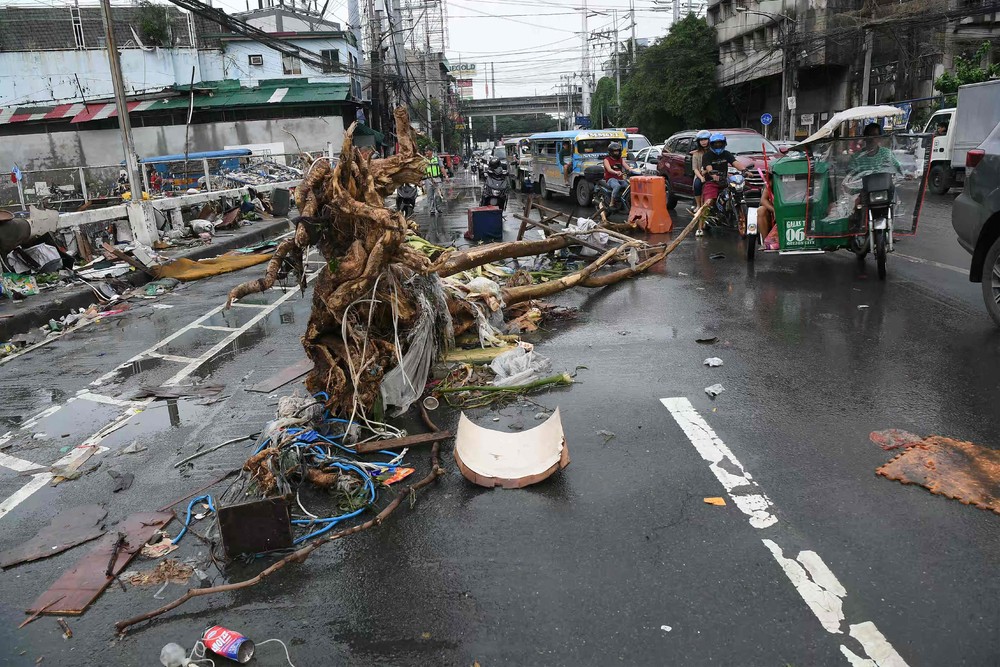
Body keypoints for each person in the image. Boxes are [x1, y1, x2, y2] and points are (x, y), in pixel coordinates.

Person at [698, 132, 752, 236]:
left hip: (725, 181)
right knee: (708, 203)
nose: (718, 145)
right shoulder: (707, 155)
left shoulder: (727, 153)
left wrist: (745, 171)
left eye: (720, 143)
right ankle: (700, 227)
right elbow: (708, 166)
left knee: (737, 191)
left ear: (724, 143)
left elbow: (735, 163)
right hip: (711, 182)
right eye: (715, 143)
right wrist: (712, 173)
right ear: (711, 144)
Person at [603, 141, 635, 209]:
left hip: (620, 179)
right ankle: (611, 203)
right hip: (610, 179)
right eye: (615, 151)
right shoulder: (606, 160)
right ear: (611, 152)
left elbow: (627, 167)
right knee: (617, 186)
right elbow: (609, 170)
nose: (616, 153)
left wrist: (633, 171)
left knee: (628, 186)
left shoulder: (620, 159)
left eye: (617, 151)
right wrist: (616, 172)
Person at [690, 130, 711, 213]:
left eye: (705, 139)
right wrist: (701, 177)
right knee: (697, 184)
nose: (703, 142)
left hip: (712, 174)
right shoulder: (696, 154)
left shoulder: (713, 152)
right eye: (701, 140)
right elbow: (695, 169)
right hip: (700, 174)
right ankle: (698, 205)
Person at [423, 147, 448, 216]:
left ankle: (438, 208)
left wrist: (446, 176)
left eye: (427, 151)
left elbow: (442, 168)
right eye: (425, 152)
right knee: (430, 196)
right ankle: (432, 210)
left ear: (431, 151)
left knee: (438, 195)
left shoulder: (437, 159)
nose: (426, 153)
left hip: (437, 179)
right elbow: (421, 170)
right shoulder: (424, 160)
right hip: (428, 179)